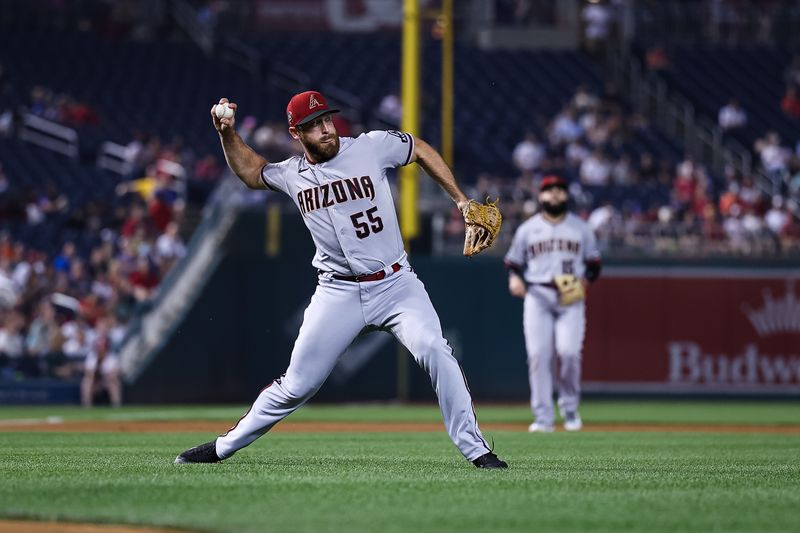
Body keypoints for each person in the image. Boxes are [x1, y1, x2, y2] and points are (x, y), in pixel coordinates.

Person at [174, 91, 507, 469]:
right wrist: (227, 134)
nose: (326, 129)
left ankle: (477, 450)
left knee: (435, 350)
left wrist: (462, 201)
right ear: (296, 133)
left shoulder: (370, 147)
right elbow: (251, 171)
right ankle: (221, 448)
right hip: (338, 291)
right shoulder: (291, 174)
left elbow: (420, 149)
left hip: (397, 285)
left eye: (327, 120)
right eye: (314, 125)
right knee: (298, 385)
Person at [503, 175, 601, 432]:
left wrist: (585, 284)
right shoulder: (528, 229)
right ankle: (544, 417)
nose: (554, 194)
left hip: (571, 295)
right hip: (538, 294)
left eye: (559, 189)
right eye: (549, 190)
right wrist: (514, 278)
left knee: (569, 353)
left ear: (566, 195)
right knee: (538, 356)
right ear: (541, 196)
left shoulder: (581, 228)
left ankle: (570, 410)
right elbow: (512, 262)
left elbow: (594, 264)